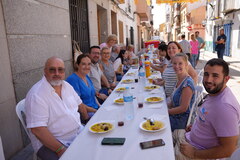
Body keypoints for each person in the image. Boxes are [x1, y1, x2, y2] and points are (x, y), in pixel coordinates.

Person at [174, 58, 240, 160]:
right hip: (189, 137)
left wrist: (194, 153)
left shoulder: (225, 108)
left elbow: (228, 150)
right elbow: (208, 116)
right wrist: (197, 126)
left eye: (215, 76)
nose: (208, 80)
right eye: (206, 74)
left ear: (226, 79)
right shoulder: (215, 93)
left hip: (197, 152)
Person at [25, 57, 89, 160]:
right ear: (45, 71)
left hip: (77, 133)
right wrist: (60, 150)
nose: (57, 73)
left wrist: (87, 120)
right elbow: (38, 130)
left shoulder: (67, 86)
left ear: (64, 71)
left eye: (60, 70)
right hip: (53, 143)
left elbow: (80, 105)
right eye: (52, 70)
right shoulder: (37, 95)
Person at [168, 53, 195, 132]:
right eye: (174, 63)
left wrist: (165, 112)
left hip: (181, 120)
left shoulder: (187, 84)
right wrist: (162, 107)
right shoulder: (179, 79)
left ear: (186, 65)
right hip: (175, 115)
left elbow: (183, 108)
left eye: (180, 63)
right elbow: (173, 102)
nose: (176, 66)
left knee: (156, 123)